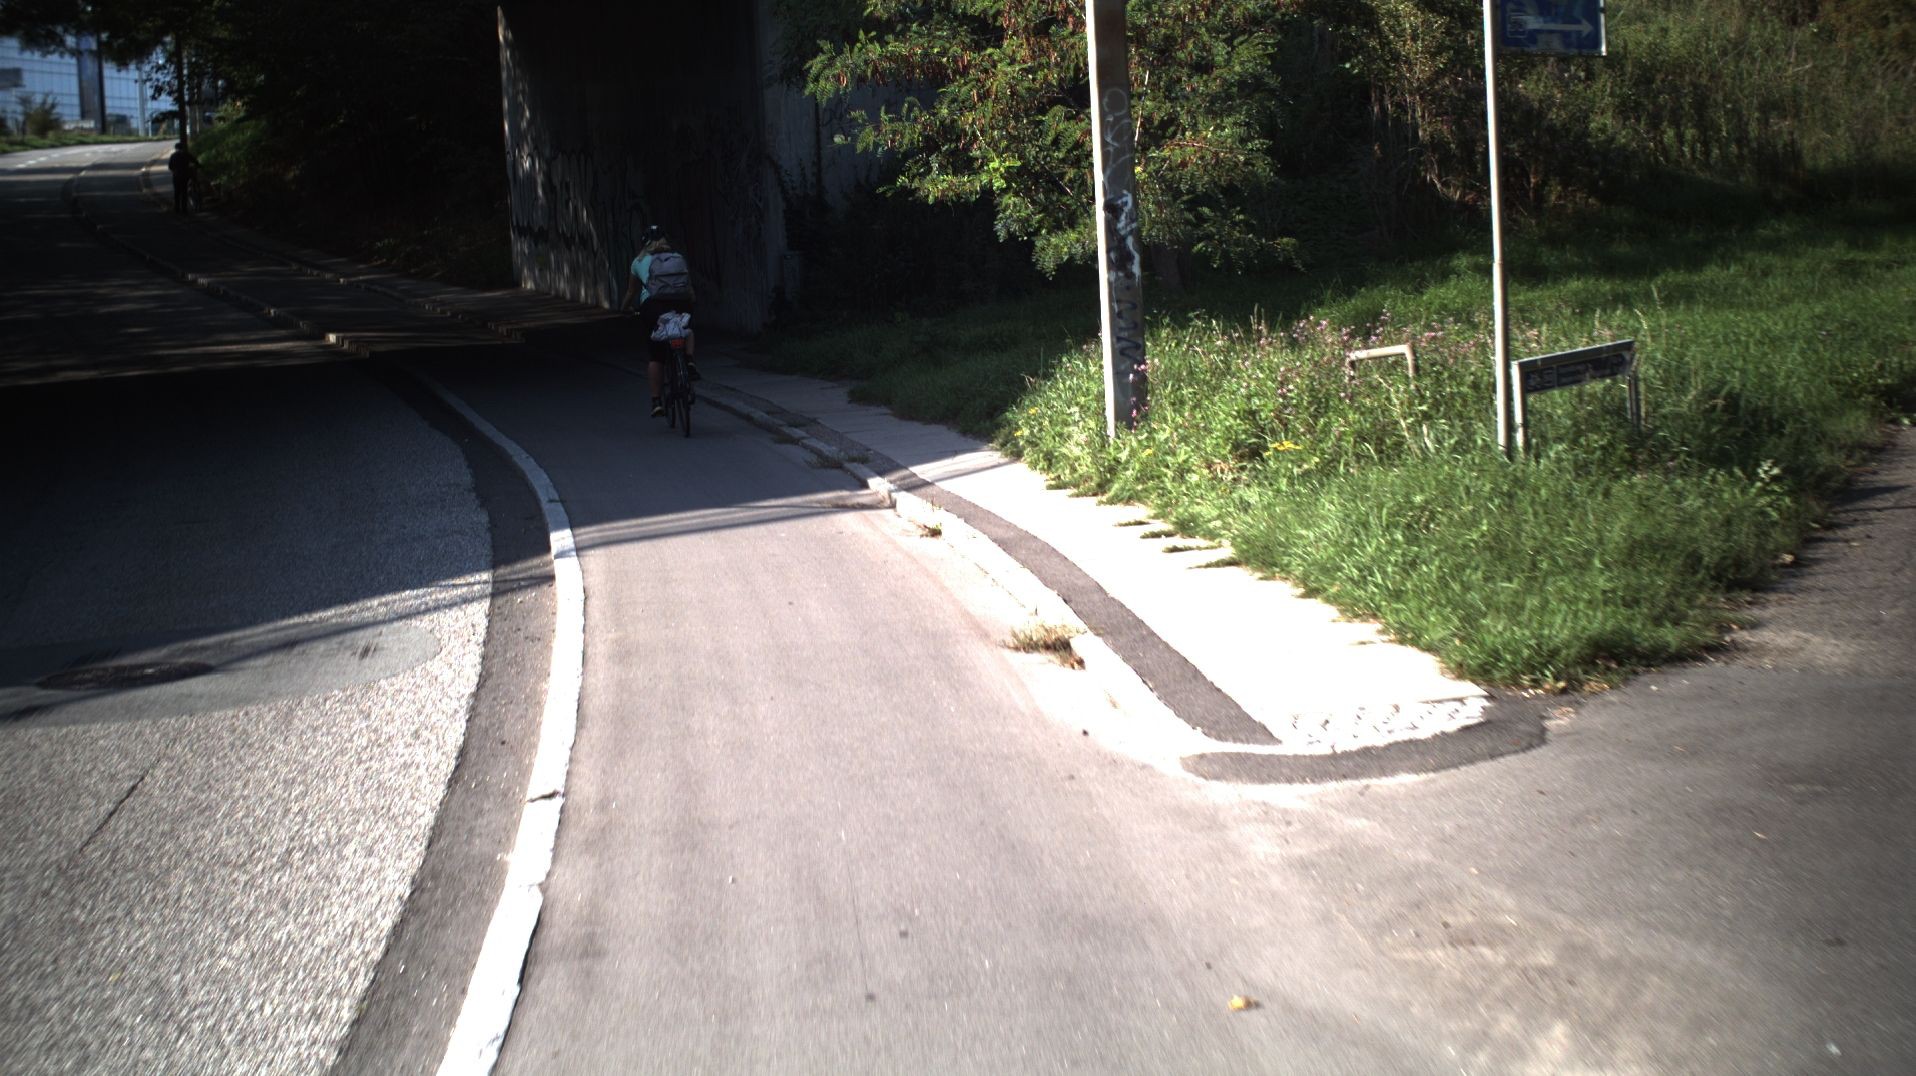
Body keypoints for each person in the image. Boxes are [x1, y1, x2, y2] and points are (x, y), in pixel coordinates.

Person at [618, 225, 698, 417]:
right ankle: (689, 361)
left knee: (656, 355)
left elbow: (631, 291)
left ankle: (656, 402)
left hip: (653, 306)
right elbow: (689, 288)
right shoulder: (677, 257)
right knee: (686, 328)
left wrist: (624, 309)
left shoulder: (638, 261)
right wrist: (690, 302)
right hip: (680, 302)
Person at [166, 142, 199, 215]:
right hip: (185, 175)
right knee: (184, 192)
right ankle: (184, 209)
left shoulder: (173, 155)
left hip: (176, 176)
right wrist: (198, 166)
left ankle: (177, 208)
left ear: (176, 148)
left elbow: (170, 167)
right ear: (182, 148)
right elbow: (195, 161)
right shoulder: (186, 154)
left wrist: (175, 170)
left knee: (177, 192)